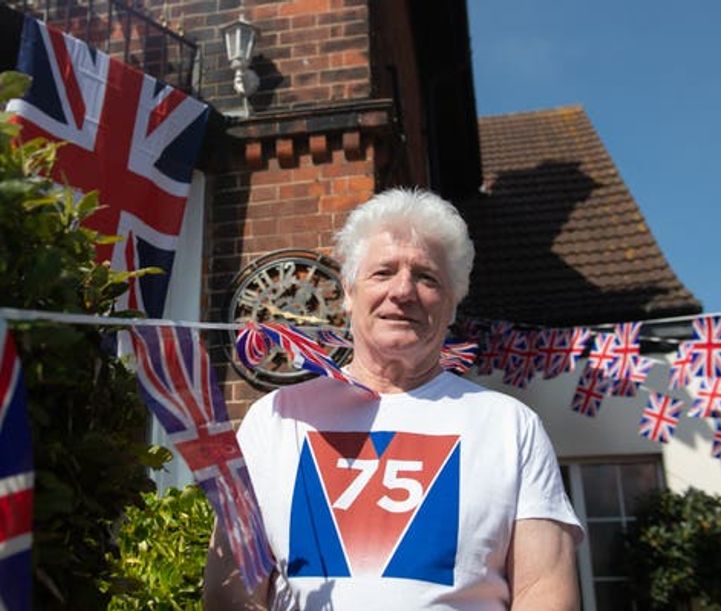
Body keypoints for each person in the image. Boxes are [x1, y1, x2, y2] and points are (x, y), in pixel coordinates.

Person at [204, 188, 583, 610]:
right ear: (348, 293)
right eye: (383, 272)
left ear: (454, 304)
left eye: (427, 277)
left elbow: (545, 592)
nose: (403, 291)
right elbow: (232, 594)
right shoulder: (275, 419)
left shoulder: (510, 427)